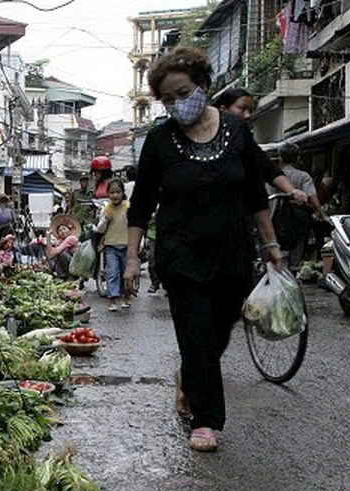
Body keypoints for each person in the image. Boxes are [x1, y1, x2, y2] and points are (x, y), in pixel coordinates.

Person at [124, 47, 284, 453]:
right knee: (196, 334)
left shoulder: (236, 130)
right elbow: (141, 205)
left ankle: (191, 379)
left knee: (217, 334)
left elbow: (254, 195)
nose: (178, 103)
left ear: (203, 85)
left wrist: (270, 244)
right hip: (181, 257)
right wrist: (131, 258)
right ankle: (207, 419)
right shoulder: (160, 141)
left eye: (184, 92)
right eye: (168, 99)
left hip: (232, 255)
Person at [215, 89, 309, 206]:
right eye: (242, 109)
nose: (248, 115)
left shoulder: (246, 143)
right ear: (223, 110)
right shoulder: (204, 140)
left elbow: (269, 169)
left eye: (250, 110)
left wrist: (292, 190)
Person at [266, 141, 328, 270]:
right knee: (296, 254)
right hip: (297, 221)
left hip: (273, 221)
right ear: (298, 158)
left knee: (275, 254)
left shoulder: (272, 175)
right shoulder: (303, 176)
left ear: (281, 157)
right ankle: (291, 274)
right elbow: (312, 197)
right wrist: (322, 214)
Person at [94, 178, 132, 311]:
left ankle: (127, 296)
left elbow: (134, 227)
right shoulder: (106, 209)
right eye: (112, 192)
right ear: (108, 194)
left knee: (126, 275)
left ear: (122, 193)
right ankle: (112, 299)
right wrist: (105, 220)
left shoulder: (128, 207)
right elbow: (100, 229)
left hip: (127, 246)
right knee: (113, 273)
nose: (115, 195)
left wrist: (137, 245)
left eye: (118, 192)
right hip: (110, 246)